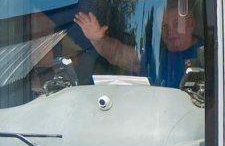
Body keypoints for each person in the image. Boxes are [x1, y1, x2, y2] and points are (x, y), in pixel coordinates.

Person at [74, 6, 202, 88]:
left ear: (191, 24)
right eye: (164, 26)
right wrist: (98, 39)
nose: (170, 32)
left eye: (176, 24)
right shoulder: (155, 54)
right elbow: (118, 53)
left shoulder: (207, 54)